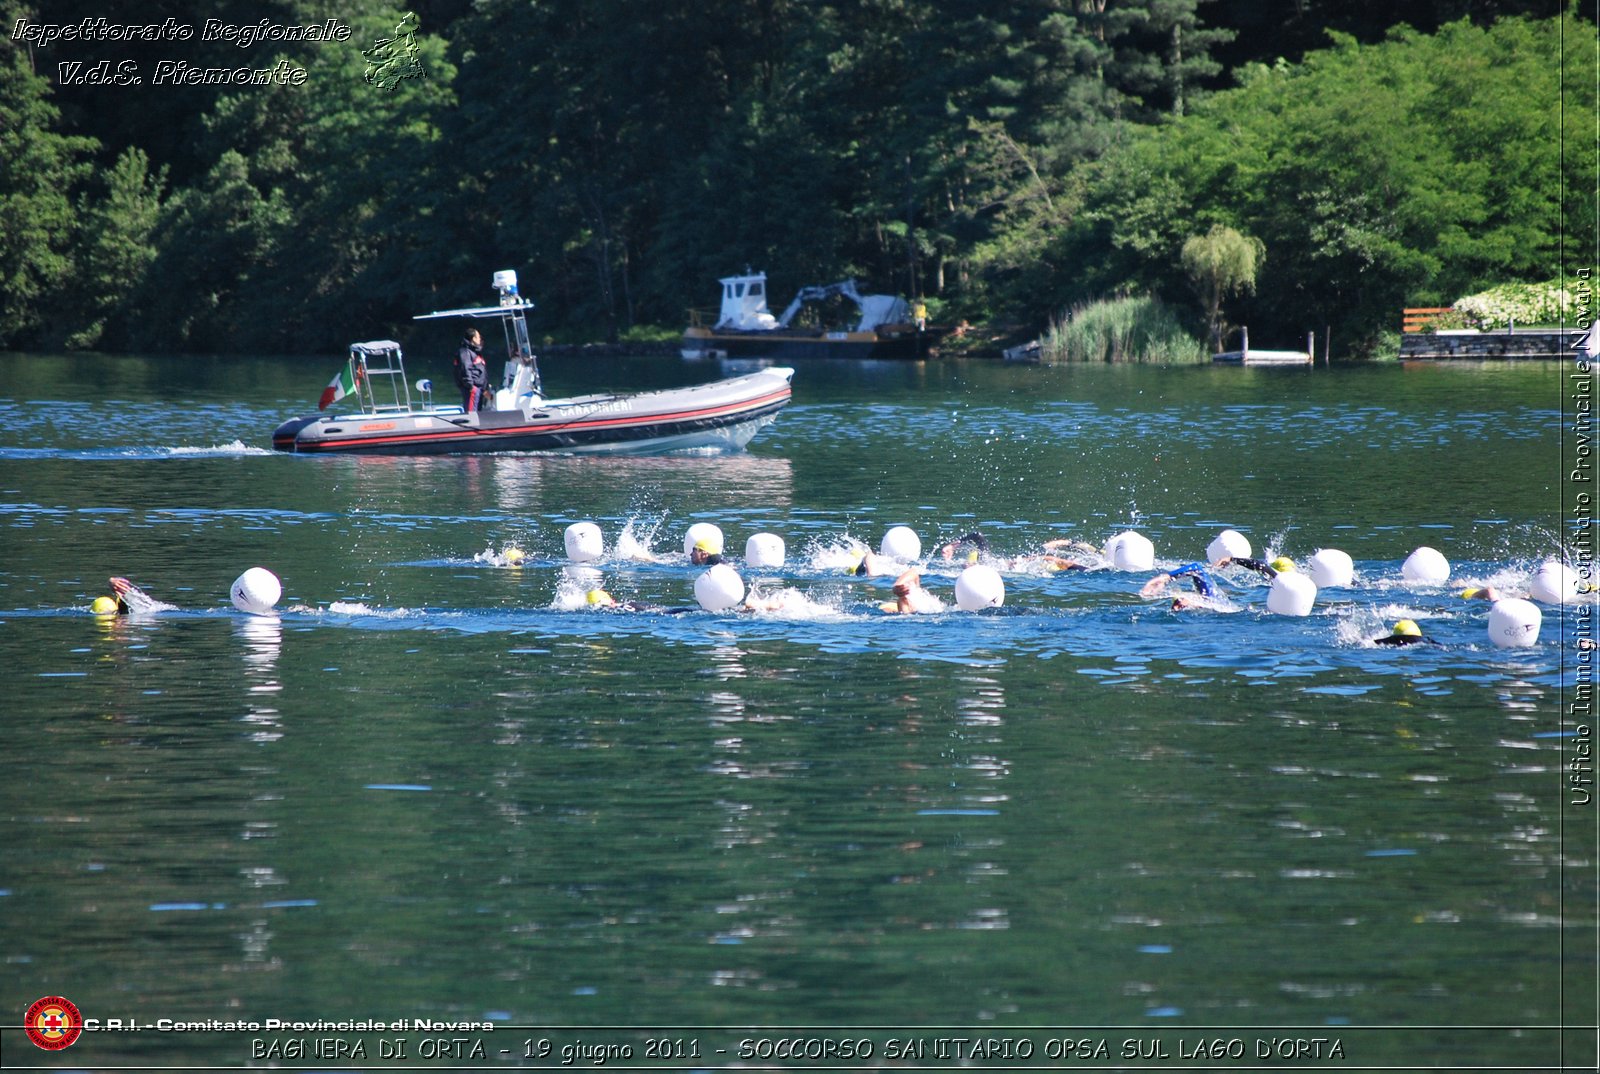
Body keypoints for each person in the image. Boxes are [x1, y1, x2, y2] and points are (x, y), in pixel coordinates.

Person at [453, 327, 492, 412]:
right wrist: (470, 386)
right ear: (473, 338)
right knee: (472, 412)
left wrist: (485, 388)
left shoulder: (475, 352)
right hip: (472, 389)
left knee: (478, 411)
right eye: (478, 337)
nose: (480, 339)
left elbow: (480, 370)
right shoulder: (465, 352)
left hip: (480, 388)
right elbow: (465, 369)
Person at [1141, 561, 1217, 599]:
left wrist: (1165, 578)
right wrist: (1166, 578)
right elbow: (1196, 568)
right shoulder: (1210, 596)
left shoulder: (1210, 599)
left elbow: (1196, 567)